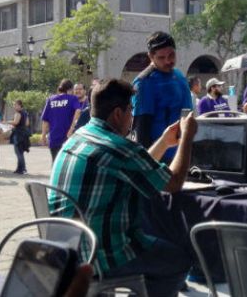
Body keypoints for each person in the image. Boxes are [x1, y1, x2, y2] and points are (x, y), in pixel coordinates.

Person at [50, 79, 197, 297]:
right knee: (180, 259)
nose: (133, 117)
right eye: (131, 110)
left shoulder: (79, 137)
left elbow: (138, 165)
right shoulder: (118, 146)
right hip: (101, 256)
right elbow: (173, 183)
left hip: (69, 249)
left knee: (153, 246)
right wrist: (187, 137)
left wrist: (165, 142)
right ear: (118, 113)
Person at [132, 32, 193, 163]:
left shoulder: (180, 77)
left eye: (171, 55)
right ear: (151, 57)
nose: (168, 61)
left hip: (183, 153)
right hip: (159, 158)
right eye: (161, 57)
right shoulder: (144, 82)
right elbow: (142, 130)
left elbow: (187, 114)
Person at [41, 79, 82, 164]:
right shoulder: (72, 99)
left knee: (55, 162)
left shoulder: (51, 99)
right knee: (66, 163)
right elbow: (78, 111)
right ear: (70, 89)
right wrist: (71, 128)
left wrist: (43, 135)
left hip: (53, 137)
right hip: (67, 137)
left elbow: (45, 120)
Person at [8, 100, 30, 174]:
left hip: (18, 134)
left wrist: (6, 122)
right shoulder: (25, 113)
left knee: (18, 152)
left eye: (15, 105)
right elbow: (27, 123)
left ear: (20, 105)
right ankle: (19, 169)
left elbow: (15, 122)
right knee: (20, 152)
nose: (14, 106)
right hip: (24, 134)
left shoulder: (18, 113)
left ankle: (22, 169)